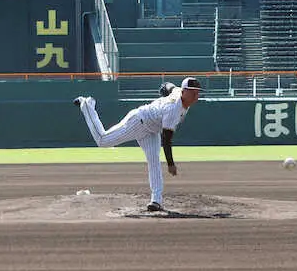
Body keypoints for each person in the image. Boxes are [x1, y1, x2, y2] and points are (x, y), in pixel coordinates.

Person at [74, 76, 202, 212]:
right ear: (184, 92)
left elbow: (167, 85)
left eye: (198, 92)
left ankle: (156, 201)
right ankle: (87, 105)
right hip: (138, 122)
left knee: (154, 162)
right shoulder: (173, 109)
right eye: (193, 92)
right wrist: (170, 164)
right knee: (102, 141)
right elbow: (166, 139)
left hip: (151, 131)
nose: (196, 95)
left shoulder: (177, 92)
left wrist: (164, 90)